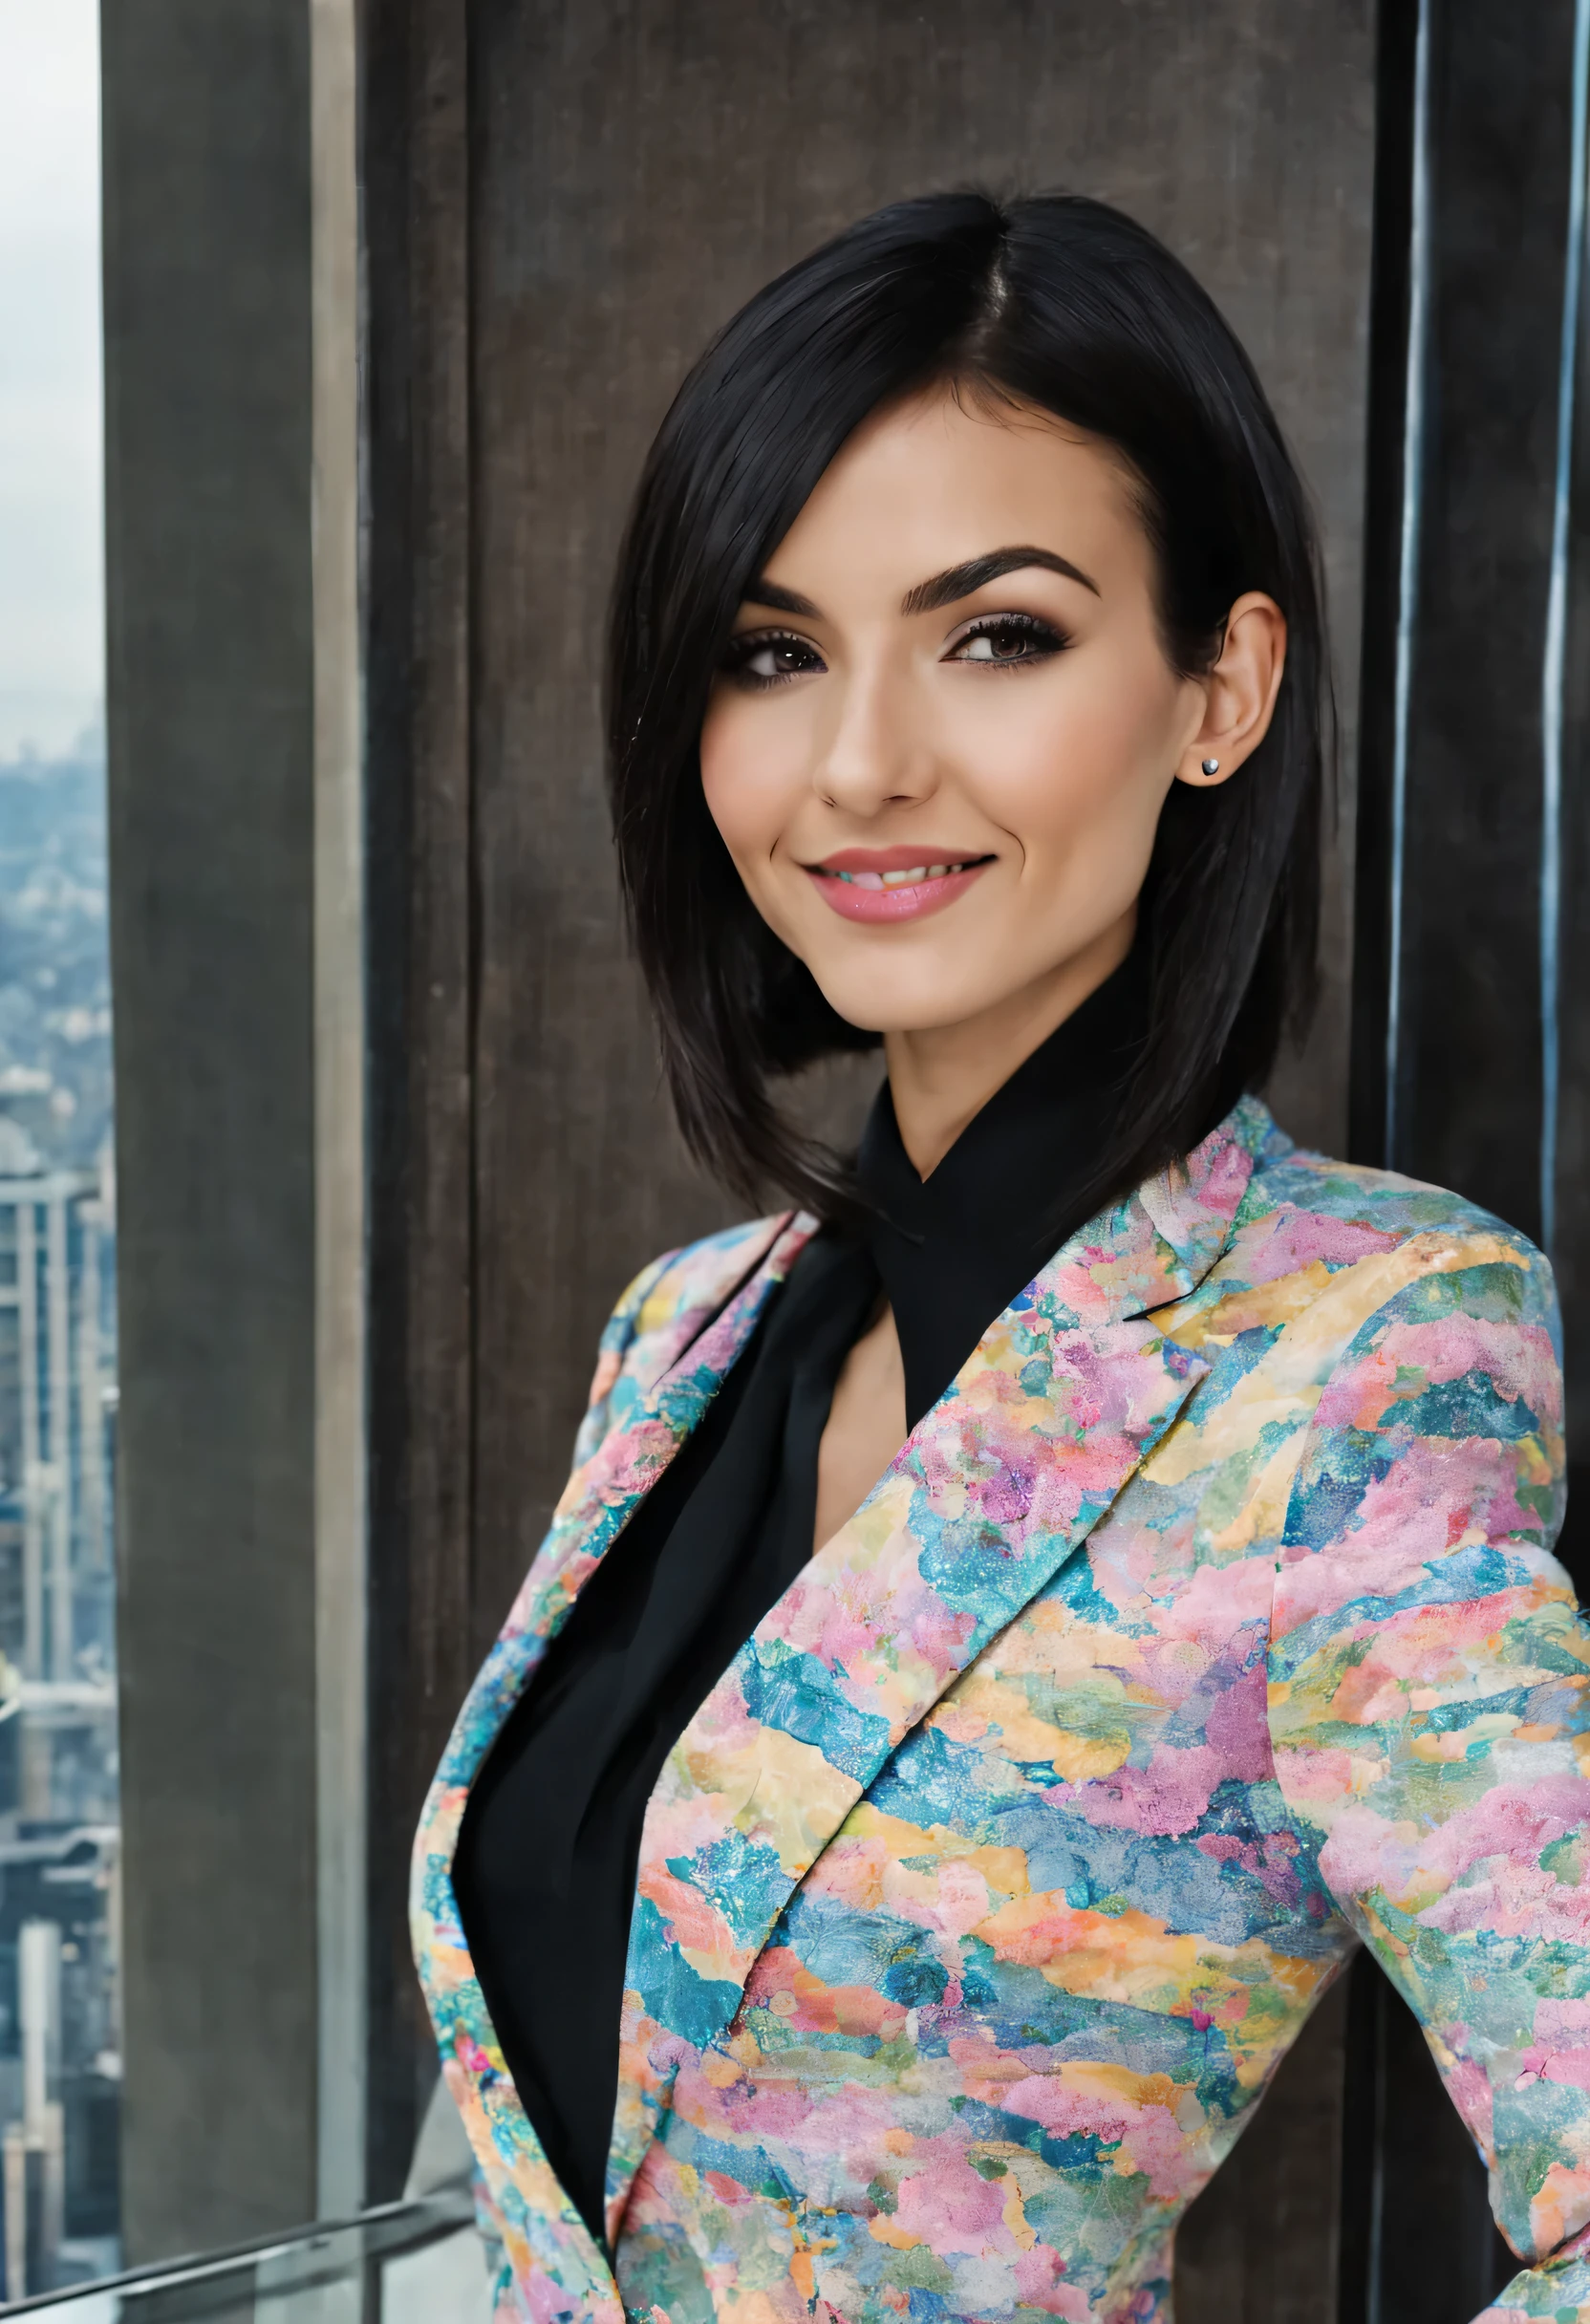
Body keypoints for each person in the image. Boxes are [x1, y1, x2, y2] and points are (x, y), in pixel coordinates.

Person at [412, 192, 1585, 2324]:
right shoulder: (688, 1330)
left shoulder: (1355, 1362)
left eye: (997, 634)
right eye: (774, 654)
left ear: (1218, 686)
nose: (859, 762)